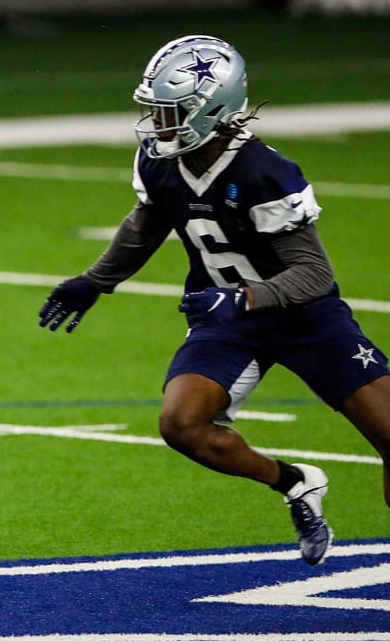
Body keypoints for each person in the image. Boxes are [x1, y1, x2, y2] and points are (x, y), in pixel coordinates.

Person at [38, 35, 390, 567]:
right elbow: (147, 223)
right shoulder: (161, 161)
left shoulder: (262, 171)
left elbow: (314, 275)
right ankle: (294, 483)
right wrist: (97, 280)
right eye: (155, 112)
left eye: (172, 112)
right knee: (181, 425)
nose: (158, 125)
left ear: (214, 109)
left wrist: (246, 297)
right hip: (226, 319)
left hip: (304, 318)